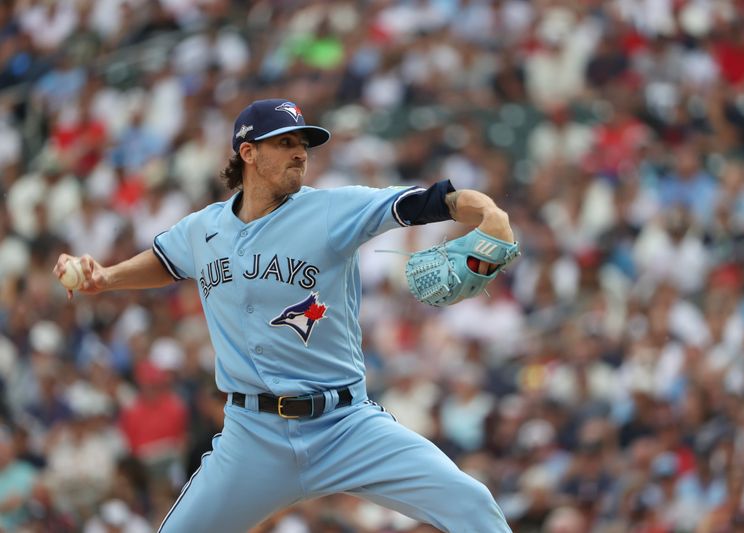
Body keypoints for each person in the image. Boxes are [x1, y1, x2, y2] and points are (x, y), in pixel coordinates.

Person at [53, 98, 515, 532]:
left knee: (471, 504)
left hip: (345, 425)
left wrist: (490, 212)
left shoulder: (333, 209)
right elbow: (165, 260)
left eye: (303, 144)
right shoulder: (203, 228)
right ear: (248, 152)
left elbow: (436, 200)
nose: (300, 154)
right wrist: (106, 278)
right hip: (253, 438)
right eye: (286, 142)